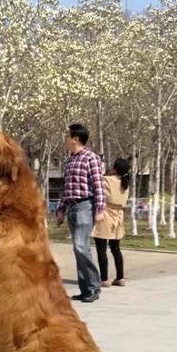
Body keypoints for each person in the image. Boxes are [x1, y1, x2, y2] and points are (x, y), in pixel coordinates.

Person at [55, 123, 105, 303]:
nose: (65, 139)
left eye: (67, 136)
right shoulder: (69, 161)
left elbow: (98, 185)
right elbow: (66, 188)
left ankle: (93, 286)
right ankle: (85, 289)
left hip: (86, 206)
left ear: (75, 138)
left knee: (80, 246)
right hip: (72, 207)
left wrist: (100, 209)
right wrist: (60, 210)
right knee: (79, 249)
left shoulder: (90, 158)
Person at [93, 158, 130, 287]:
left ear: (115, 168)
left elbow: (96, 181)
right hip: (118, 216)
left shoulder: (107, 180)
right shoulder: (125, 183)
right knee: (116, 248)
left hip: (105, 214)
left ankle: (104, 279)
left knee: (101, 249)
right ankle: (120, 277)